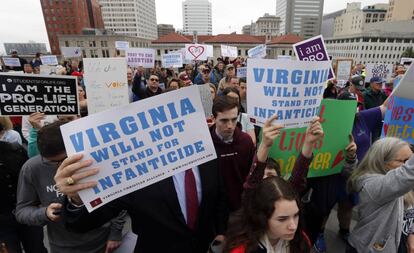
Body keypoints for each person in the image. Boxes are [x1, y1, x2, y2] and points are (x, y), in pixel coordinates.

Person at [54, 139, 229, 252]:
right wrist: (77, 198)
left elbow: (220, 195)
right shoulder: (136, 170)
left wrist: (221, 231)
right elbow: (85, 222)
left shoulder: (207, 152)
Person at [16, 120, 126, 253]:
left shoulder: (93, 160)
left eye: (65, 160)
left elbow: (119, 195)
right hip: (62, 246)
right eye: (51, 162)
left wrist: (115, 233)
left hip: (103, 240)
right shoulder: (32, 168)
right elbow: (22, 211)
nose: (60, 168)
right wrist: (44, 213)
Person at [347, 137, 414, 253]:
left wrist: (411, 233)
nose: (407, 165)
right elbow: (407, 174)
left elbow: (409, 213)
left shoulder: (399, 185)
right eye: (404, 161)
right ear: (383, 163)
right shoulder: (374, 186)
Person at [223, 177, 310, 253]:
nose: (293, 226)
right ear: (262, 218)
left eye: (295, 215)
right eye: (282, 219)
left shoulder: (301, 240)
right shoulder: (241, 250)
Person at [0, 140, 48, 253]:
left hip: (27, 211)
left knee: (37, 248)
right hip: (3, 221)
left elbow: (31, 178)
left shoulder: (14, 149)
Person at [210, 96, 255, 212]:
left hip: (242, 208)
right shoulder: (205, 145)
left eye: (234, 119)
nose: (230, 126)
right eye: (224, 120)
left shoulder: (246, 142)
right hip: (213, 211)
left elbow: (252, 175)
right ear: (213, 119)